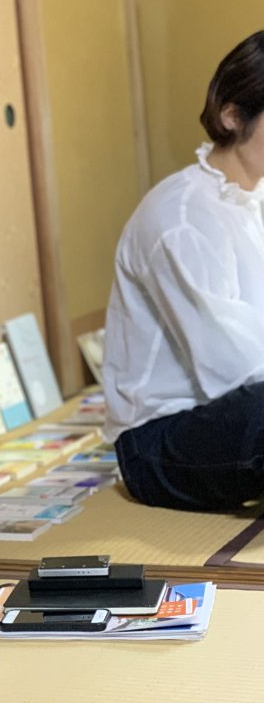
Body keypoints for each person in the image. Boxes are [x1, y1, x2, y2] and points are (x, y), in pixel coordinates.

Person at [103, 30, 264, 511]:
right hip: (158, 443)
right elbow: (236, 369)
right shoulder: (182, 215)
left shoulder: (254, 197)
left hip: (236, 411)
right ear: (232, 116)